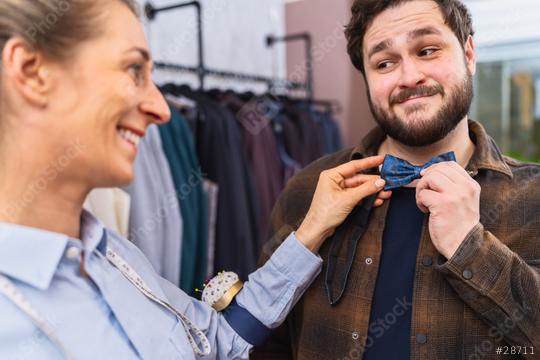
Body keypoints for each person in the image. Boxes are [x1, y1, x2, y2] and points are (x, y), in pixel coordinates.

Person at [0, 1, 392, 359]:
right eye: (134, 70)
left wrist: (312, 229)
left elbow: (217, 341)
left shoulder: (112, 254)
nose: (161, 109)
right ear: (32, 72)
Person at [253, 0, 540, 359]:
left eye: (427, 50)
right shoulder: (306, 191)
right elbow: (268, 345)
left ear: (468, 53)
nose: (408, 77)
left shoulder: (535, 200)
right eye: (384, 63)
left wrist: (472, 248)